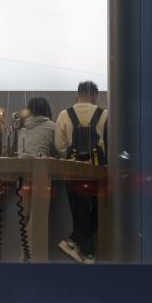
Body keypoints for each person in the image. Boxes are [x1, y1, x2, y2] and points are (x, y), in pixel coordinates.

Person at [55, 81, 108, 264]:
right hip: (98, 174)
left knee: (79, 213)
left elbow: (60, 147)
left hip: (73, 173)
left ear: (78, 95)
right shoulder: (104, 114)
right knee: (102, 212)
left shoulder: (64, 115)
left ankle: (83, 250)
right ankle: (85, 250)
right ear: (94, 95)